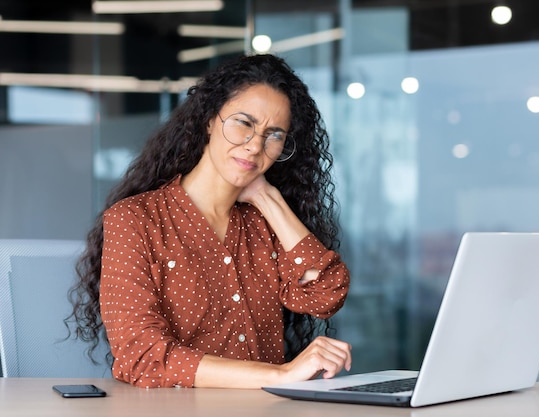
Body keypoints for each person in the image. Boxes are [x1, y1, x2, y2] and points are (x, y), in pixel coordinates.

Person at [67, 54, 351, 389]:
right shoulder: (135, 220)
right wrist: (280, 375)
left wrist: (268, 199)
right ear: (209, 120)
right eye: (244, 123)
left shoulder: (264, 224)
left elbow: (324, 295)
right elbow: (141, 357)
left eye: (273, 135)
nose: (256, 145)